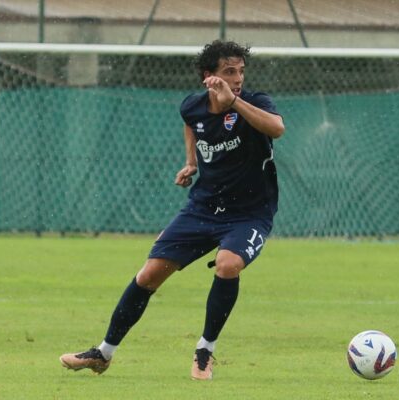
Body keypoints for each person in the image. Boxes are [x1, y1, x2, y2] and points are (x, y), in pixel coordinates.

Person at [60, 40, 285, 380]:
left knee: (227, 264)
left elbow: (277, 128)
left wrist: (234, 102)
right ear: (208, 77)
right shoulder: (192, 107)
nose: (237, 78)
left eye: (240, 71)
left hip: (249, 213)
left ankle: (205, 350)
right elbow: (190, 123)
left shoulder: (254, 102)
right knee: (149, 274)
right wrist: (191, 161)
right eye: (228, 72)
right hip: (203, 208)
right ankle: (103, 353)